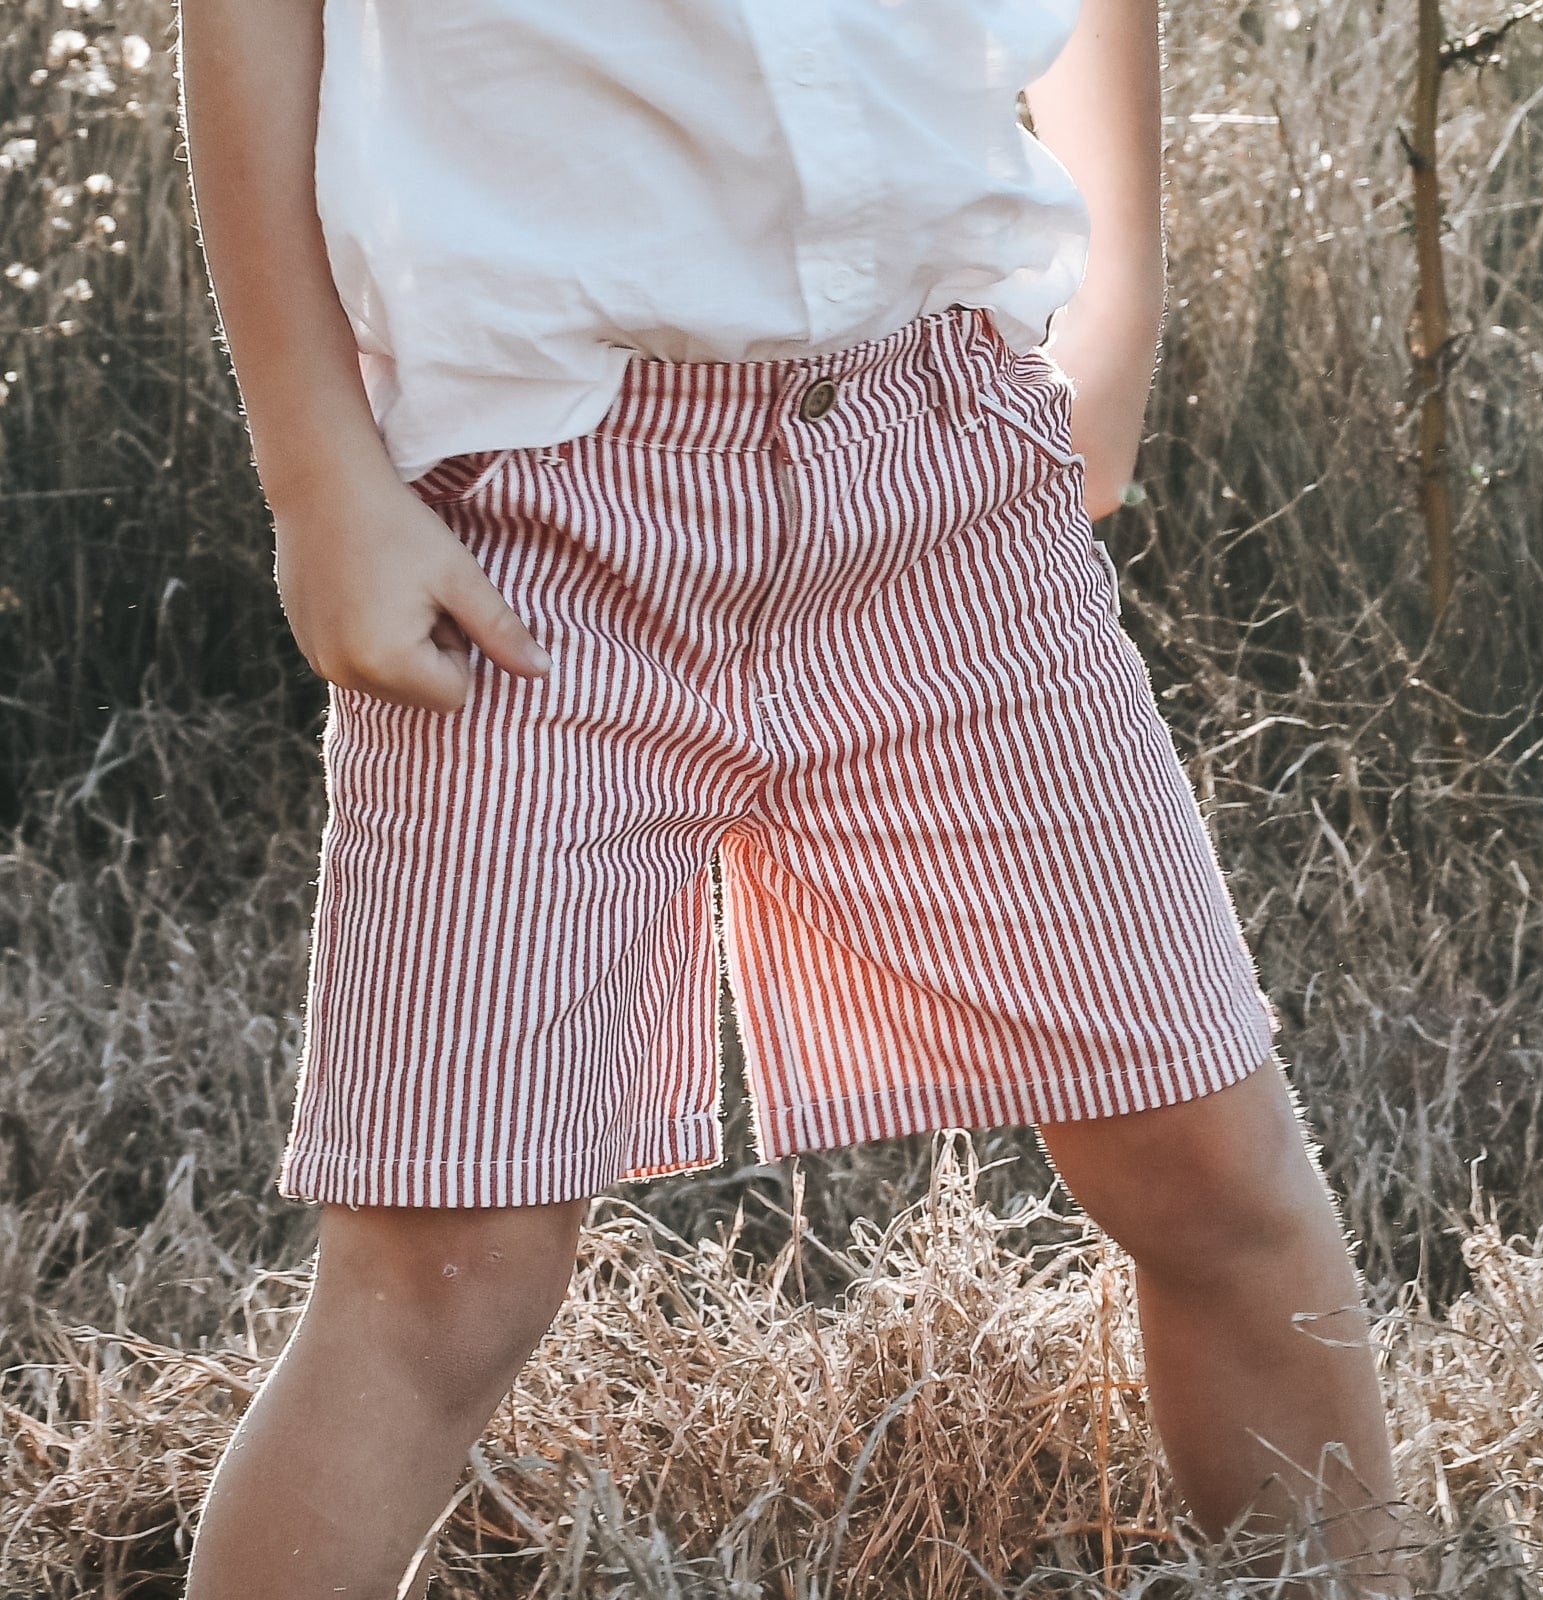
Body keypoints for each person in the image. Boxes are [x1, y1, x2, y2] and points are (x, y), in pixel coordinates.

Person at [173, 1, 1417, 1595]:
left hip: (943, 490)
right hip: (525, 518)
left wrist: (1123, 306)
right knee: (444, 1274)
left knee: (1216, 1173)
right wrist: (315, 473)